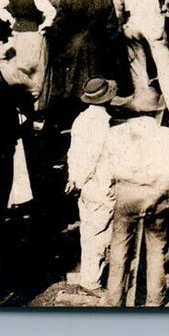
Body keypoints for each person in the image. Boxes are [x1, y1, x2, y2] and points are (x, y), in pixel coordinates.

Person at [103, 88, 169, 307]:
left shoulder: (118, 133)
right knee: (155, 250)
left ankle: (114, 300)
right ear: (157, 111)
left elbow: (110, 166)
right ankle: (155, 299)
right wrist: (157, 192)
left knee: (119, 249)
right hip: (155, 192)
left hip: (127, 191)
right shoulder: (165, 135)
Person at [66, 78, 116, 293]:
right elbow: (91, 155)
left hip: (85, 182)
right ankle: (91, 282)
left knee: (89, 231)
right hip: (97, 182)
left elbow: (73, 152)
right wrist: (83, 178)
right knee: (99, 232)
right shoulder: (101, 123)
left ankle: (91, 277)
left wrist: (74, 178)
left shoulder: (82, 118)